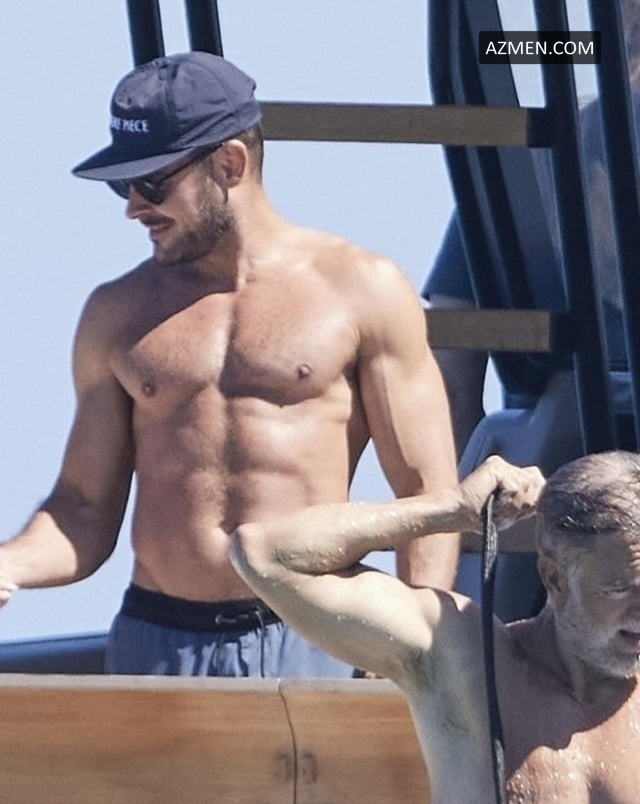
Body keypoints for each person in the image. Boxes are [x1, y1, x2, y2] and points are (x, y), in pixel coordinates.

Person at [0, 52, 459, 677]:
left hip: (313, 632)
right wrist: (10, 564)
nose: (133, 207)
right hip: (157, 643)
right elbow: (82, 507)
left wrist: (414, 652)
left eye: (151, 183)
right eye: (121, 185)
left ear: (230, 165)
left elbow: (426, 493)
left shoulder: (360, 289)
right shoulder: (117, 313)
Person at [230, 450, 640, 803]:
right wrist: (452, 509)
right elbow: (266, 555)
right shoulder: (466, 660)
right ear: (554, 579)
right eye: (621, 589)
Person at [424, 1, 640, 623]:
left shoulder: (521, 162)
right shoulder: (527, 161)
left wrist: (457, 531)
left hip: (551, 482)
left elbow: (449, 378)